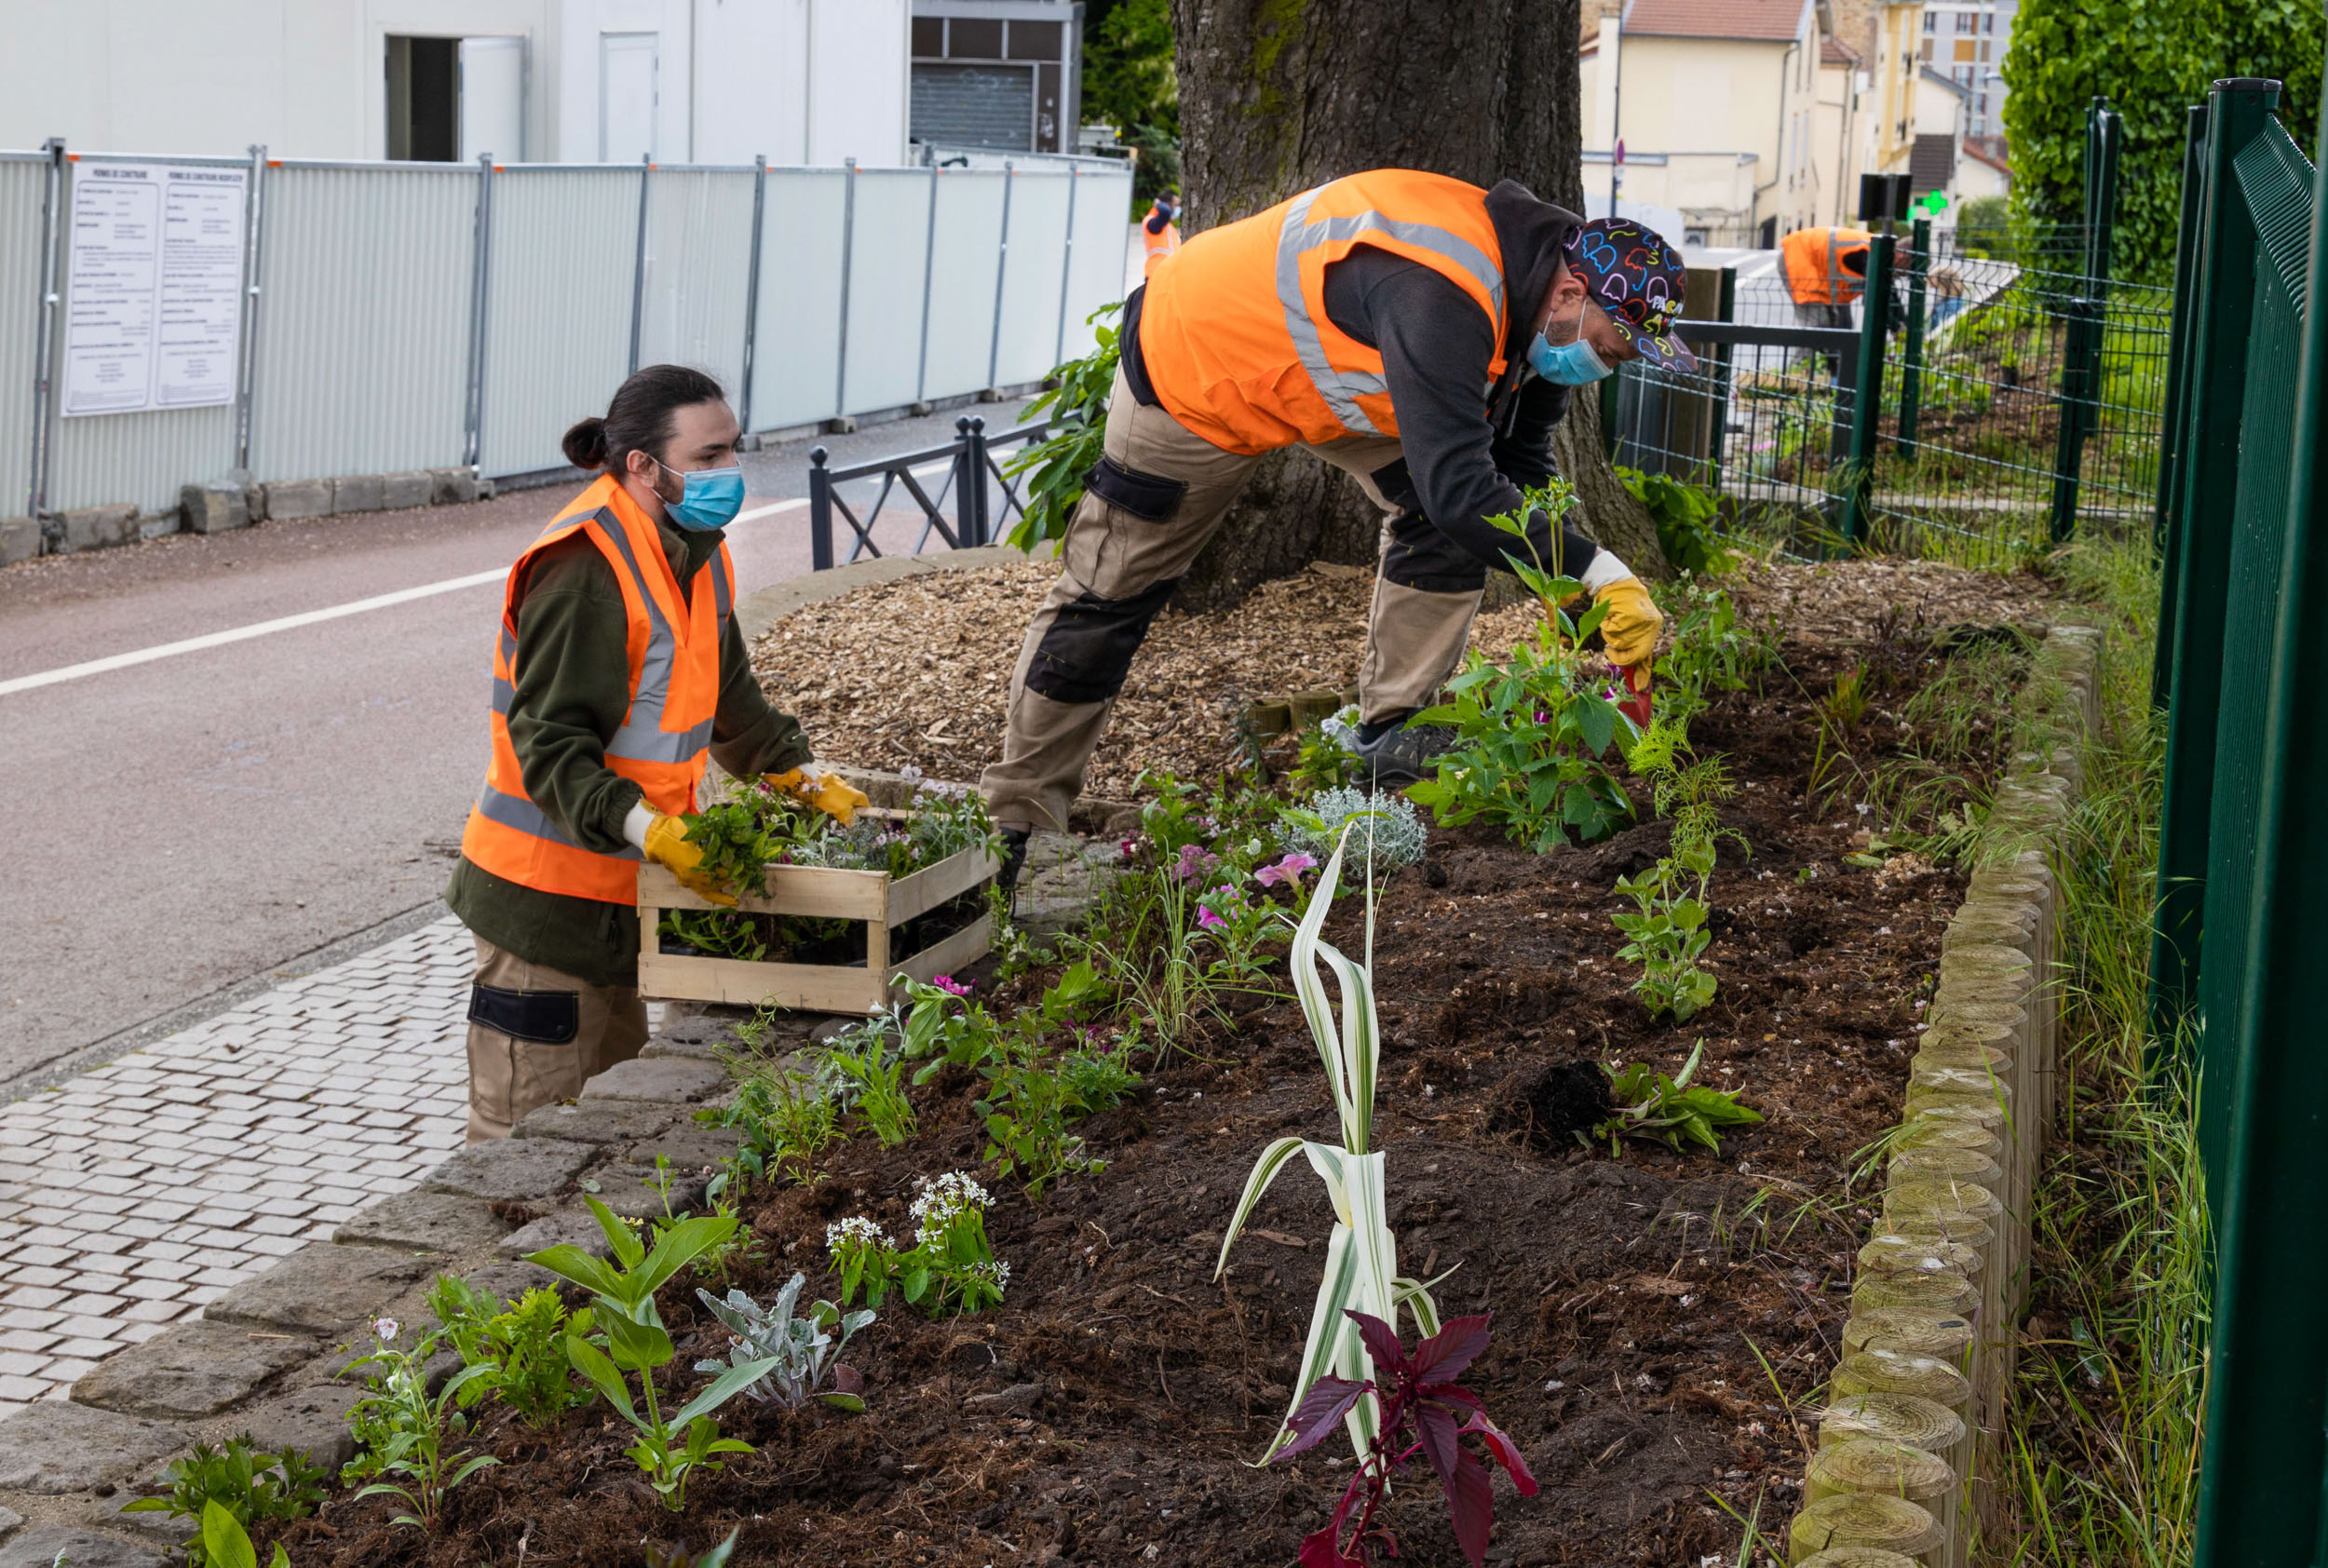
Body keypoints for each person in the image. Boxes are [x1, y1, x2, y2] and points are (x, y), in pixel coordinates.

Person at [980, 170, 1695, 883]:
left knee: (1452, 522)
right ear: (1573, 295)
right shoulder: (1442, 289)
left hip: (1329, 385)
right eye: (1613, 347)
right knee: (1110, 595)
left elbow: (1517, 465)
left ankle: (1393, 736)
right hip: (1198, 365)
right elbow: (1461, 490)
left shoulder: (1540, 298)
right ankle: (1018, 824)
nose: (1610, 363)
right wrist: (1597, 568)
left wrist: (1577, 590)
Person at [446, 364, 866, 1142]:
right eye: (707, 458)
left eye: (733, 452)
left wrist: (801, 776)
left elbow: (728, 699)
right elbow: (549, 745)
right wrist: (654, 831)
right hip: (544, 908)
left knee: (601, 1144)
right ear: (642, 463)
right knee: (523, 1148)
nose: (728, 474)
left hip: (626, 898)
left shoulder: (694, 550)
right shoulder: (584, 568)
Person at [1780, 225, 1872, 329]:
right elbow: (1873, 299)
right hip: (1798, 258)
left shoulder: (1874, 247)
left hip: (1821, 273)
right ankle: (1811, 343)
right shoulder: (1870, 254)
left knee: (1843, 327)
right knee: (1819, 325)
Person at [1141, 188, 1182, 277]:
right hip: (1156, 274)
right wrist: (1158, 204)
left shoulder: (1167, 226)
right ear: (1166, 205)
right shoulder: (1152, 222)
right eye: (1175, 205)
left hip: (1164, 273)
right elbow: (1165, 213)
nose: (1177, 208)